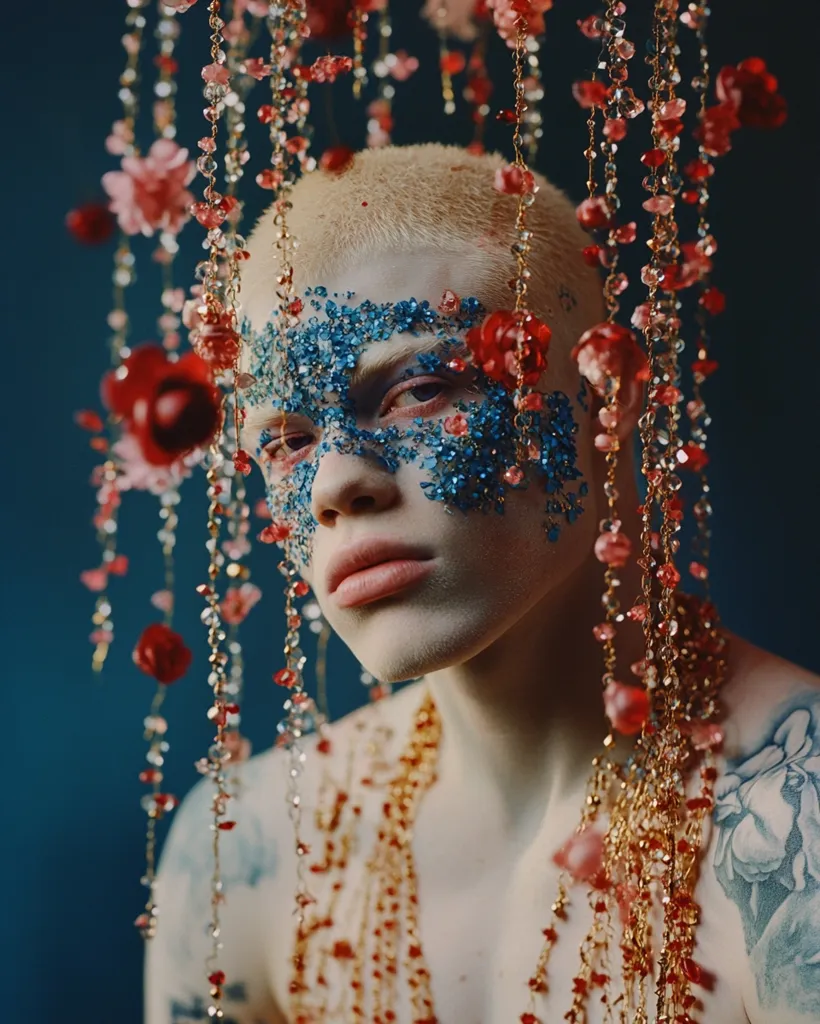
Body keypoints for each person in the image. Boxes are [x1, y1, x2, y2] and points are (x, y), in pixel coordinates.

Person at [144, 143, 820, 1024]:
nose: (333, 485)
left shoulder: (788, 827)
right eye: (287, 441)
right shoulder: (250, 852)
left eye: (420, 390)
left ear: (608, 410)